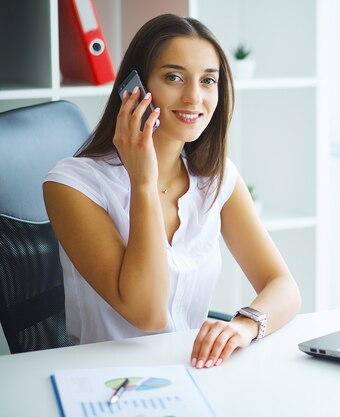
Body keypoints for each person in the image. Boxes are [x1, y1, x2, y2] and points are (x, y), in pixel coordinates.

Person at [43, 14, 301, 369]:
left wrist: (244, 326)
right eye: (174, 77)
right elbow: (147, 314)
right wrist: (143, 182)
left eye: (208, 80)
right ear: (135, 89)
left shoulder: (216, 177)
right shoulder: (73, 185)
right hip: (104, 381)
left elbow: (283, 286)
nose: (194, 97)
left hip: (193, 370)